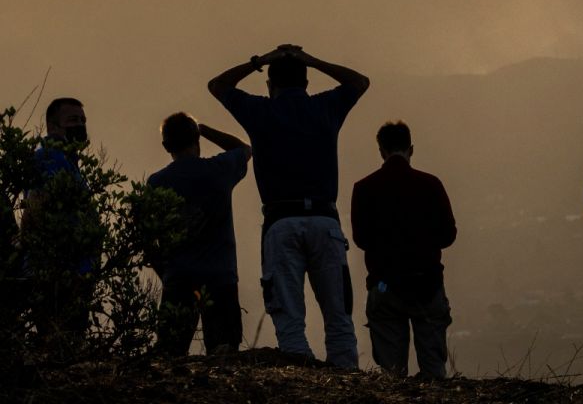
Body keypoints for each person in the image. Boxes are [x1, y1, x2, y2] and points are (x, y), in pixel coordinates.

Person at [208, 44, 368, 368]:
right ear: (306, 83)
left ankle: (302, 377)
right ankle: (346, 376)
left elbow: (218, 85)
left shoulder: (260, 112)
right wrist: (313, 60)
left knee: (289, 319)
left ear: (270, 85)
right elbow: (359, 82)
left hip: (281, 222)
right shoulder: (325, 107)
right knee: (338, 316)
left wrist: (259, 60)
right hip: (324, 220)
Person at [351, 121, 456, 378]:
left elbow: (361, 239)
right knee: (434, 368)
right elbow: (448, 235)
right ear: (411, 149)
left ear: (381, 151)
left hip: (384, 285)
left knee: (392, 374)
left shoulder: (364, 188)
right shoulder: (431, 184)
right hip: (427, 284)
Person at [146, 112, 252, 356]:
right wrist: (203, 128)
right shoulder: (219, 170)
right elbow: (244, 149)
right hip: (219, 278)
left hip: (179, 278)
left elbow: (147, 239)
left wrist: (167, 274)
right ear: (197, 140)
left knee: (169, 353)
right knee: (223, 351)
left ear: (166, 146)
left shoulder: (157, 182)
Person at [22, 97, 102, 350]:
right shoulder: (48, 159)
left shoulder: (69, 162)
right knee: (59, 344)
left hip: (77, 269)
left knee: (71, 343)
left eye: (83, 120)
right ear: (53, 126)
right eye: (73, 120)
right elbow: (36, 210)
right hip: (57, 270)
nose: (80, 126)